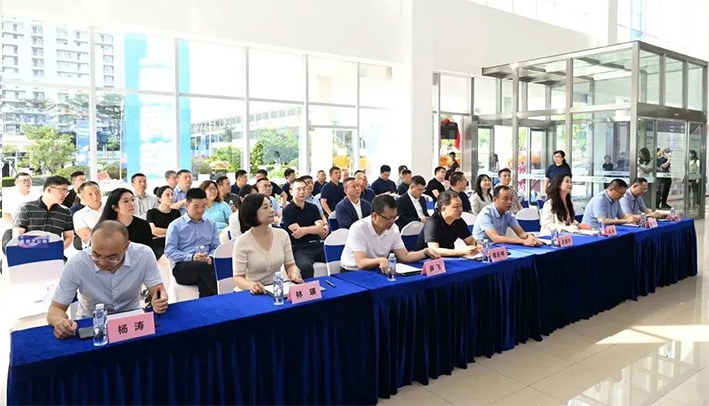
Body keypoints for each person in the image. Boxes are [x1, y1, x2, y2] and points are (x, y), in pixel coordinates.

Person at [47, 221, 168, 339]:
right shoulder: (77, 263)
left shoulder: (143, 255)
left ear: (126, 247)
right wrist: (60, 322)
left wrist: (159, 300)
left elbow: (158, 291)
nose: (103, 262)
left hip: (131, 321)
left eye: (112, 257)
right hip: (92, 325)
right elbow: (55, 309)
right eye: (96, 255)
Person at [340, 195, 440, 272]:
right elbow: (361, 262)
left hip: (377, 268)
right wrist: (379, 260)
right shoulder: (359, 228)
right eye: (388, 218)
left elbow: (404, 256)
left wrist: (425, 252)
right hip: (352, 271)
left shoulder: (393, 228)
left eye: (394, 217)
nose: (391, 222)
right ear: (374, 216)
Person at [234, 194, 304, 294]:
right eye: (265, 207)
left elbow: (290, 265)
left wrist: (293, 273)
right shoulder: (242, 242)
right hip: (252, 293)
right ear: (253, 213)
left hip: (276, 290)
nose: (271, 210)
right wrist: (251, 285)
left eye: (270, 206)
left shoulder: (282, 235)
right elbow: (238, 278)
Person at [165, 188, 221, 298]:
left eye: (203, 206)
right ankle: (223, 296)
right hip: (183, 267)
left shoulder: (211, 224)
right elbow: (169, 252)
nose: (200, 210)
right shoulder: (175, 225)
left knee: (205, 280)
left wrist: (210, 257)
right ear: (187, 205)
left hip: (206, 264)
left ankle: (207, 305)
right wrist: (191, 257)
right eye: (196, 206)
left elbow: (216, 247)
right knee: (203, 267)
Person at [9, 176, 74, 252]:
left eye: (67, 192)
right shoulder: (26, 208)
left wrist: (56, 249)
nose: (65, 194)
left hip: (54, 254)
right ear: (49, 190)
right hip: (28, 253)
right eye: (63, 191)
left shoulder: (65, 212)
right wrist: (47, 245)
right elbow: (17, 237)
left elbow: (69, 237)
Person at [281, 177, 329, 279]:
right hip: (300, 248)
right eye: (298, 189)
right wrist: (314, 229)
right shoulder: (287, 210)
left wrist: (304, 230)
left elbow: (320, 228)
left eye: (304, 188)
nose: (302, 192)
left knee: (338, 257)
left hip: (318, 244)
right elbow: (297, 233)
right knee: (305, 268)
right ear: (291, 192)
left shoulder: (313, 207)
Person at [472, 186, 542, 246]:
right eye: (505, 199)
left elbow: (521, 234)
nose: (509, 202)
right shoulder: (485, 213)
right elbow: (495, 238)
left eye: (511, 199)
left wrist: (530, 237)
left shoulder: (508, 213)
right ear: (495, 199)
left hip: (499, 247)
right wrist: (523, 241)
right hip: (481, 247)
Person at [415, 191, 479, 257]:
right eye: (456, 207)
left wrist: (479, 246)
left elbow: (470, 241)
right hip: (426, 259)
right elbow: (434, 250)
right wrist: (461, 251)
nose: (460, 210)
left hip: (448, 257)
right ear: (443, 208)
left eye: (461, 206)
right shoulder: (433, 222)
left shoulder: (458, 220)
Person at [1, 172, 40, 252]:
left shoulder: (37, 194)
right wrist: (18, 225)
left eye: (29, 180)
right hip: (13, 228)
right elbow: (5, 214)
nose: (27, 183)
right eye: (24, 180)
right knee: (9, 247)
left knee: (41, 246)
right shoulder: (9, 195)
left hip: (33, 228)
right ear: (16, 182)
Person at [146, 186, 181, 260]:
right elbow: (153, 230)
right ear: (159, 198)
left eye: (172, 194)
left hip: (173, 242)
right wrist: (171, 231)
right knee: (166, 260)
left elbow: (179, 231)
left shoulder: (176, 213)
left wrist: (162, 232)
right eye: (167, 195)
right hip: (157, 243)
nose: (171, 197)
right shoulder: (152, 212)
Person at [72, 181, 104, 249]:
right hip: (92, 249)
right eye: (90, 194)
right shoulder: (79, 215)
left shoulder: (112, 209)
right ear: (82, 197)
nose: (95, 196)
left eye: (97, 192)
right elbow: (87, 237)